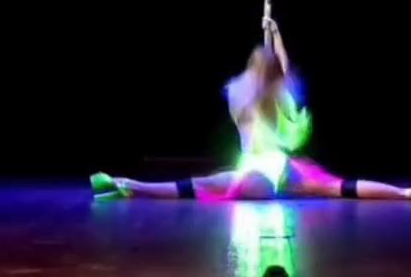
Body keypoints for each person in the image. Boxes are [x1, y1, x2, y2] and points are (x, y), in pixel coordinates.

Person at [91, 18, 410, 200]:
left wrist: (273, 39)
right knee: (333, 187)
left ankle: (128, 185)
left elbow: (280, 70)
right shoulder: (266, 94)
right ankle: (403, 193)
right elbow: (283, 69)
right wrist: (275, 35)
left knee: (208, 186)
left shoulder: (247, 96)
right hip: (272, 166)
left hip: (261, 171)